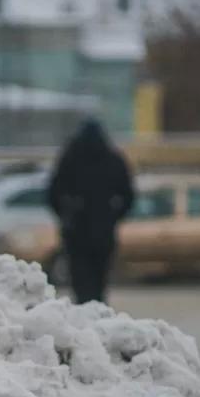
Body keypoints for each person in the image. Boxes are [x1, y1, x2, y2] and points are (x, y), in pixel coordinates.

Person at [48, 119, 134, 304]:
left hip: (76, 229)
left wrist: (65, 215)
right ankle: (98, 314)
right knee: (99, 281)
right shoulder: (113, 159)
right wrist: (113, 216)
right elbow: (128, 195)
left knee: (80, 282)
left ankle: (84, 315)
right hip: (103, 230)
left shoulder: (70, 158)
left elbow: (53, 193)